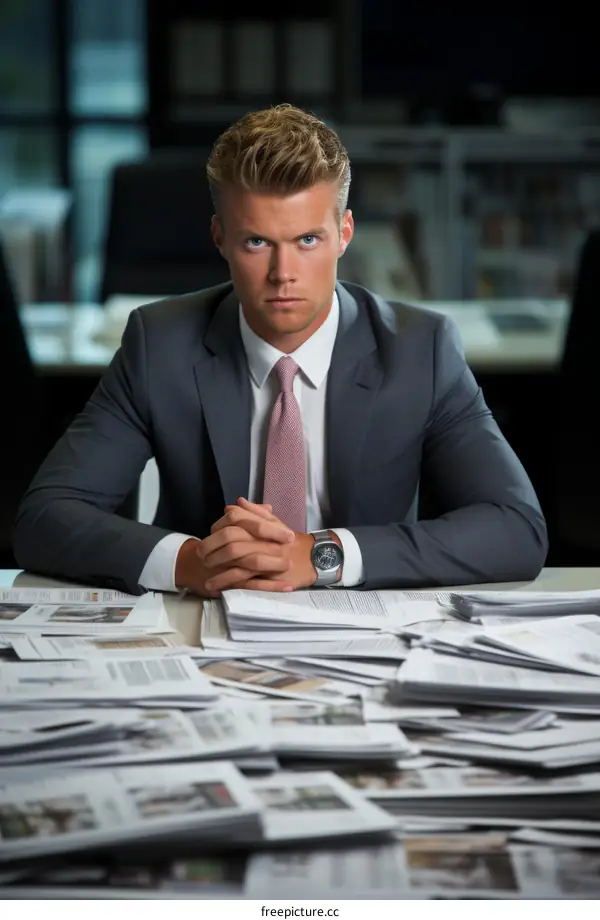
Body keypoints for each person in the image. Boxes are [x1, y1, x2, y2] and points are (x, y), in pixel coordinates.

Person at [13, 104, 548, 598]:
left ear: (344, 233)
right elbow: (45, 517)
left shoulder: (420, 351)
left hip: (364, 627)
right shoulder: (160, 345)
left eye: (307, 240)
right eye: (257, 242)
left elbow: (517, 528)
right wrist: (191, 562)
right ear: (220, 238)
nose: (283, 273)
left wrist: (320, 555)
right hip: (205, 623)